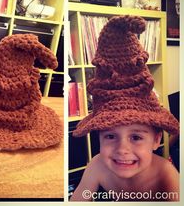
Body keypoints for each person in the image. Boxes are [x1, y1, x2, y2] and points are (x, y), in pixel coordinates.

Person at [71, 15, 179, 201]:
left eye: (136, 137)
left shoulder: (165, 174)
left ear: (156, 140)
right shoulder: (97, 166)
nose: (122, 149)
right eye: (110, 136)